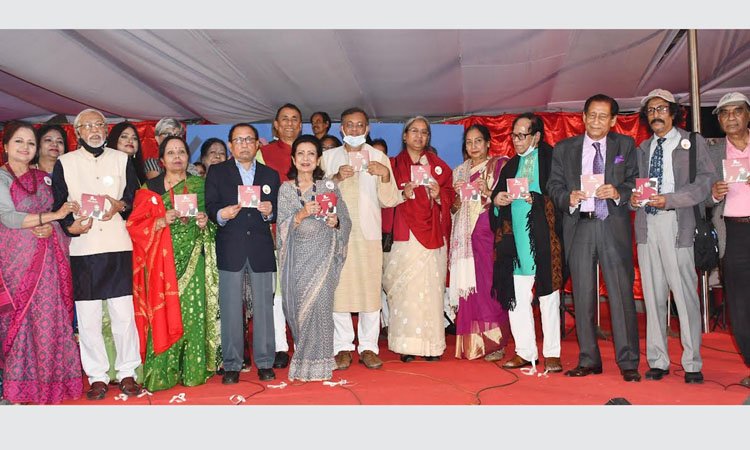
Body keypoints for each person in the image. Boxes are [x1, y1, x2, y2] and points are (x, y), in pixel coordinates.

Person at [547, 94, 641, 382]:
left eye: (603, 116)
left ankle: (628, 361)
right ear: (583, 117)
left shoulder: (625, 145)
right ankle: (588, 359)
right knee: (583, 295)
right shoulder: (565, 148)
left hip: (612, 225)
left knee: (621, 294)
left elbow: (634, 180)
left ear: (613, 121)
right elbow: (553, 185)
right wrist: (568, 197)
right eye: (592, 115)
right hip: (581, 225)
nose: (596, 121)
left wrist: (618, 192)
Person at [51, 108, 143, 399]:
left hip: (117, 244)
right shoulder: (65, 163)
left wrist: (120, 206)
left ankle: (127, 372)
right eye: (87, 126)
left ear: (106, 129)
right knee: (88, 317)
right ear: (77, 132)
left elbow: (132, 197)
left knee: (123, 314)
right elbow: (59, 203)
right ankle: (97, 376)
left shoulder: (121, 159)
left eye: (99, 124)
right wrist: (70, 226)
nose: (94, 130)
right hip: (84, 247)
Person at [630, 89, 714, 384]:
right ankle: (657, 360)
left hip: (678, 223)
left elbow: (705, 181)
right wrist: (633, 199)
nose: (656, 115)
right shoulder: (642, 149)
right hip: (647, 224)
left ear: (674, 112)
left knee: (684, 294)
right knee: (652, 295)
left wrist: (672, 199)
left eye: (662, 109)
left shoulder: (692, 142)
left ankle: (692, 362)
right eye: (651, 110)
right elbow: (634, 186)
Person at [126, 135, 220, 391]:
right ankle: (162, 372)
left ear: (188, 157)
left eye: (181, 152)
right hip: (160, 263)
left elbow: (216, 222)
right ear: (162, 160)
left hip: (193, 258)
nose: (177, 157)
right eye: (171, 153)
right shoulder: (149, 189)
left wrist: (205, 223)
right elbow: (134, 225)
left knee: (192, 313)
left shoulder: (201, 186)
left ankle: (192, 369)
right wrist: (160, 220)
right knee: (163, 314)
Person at [0, 122, 82, 404]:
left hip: (48, 265)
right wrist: (51, 217)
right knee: (18, 322)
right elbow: (8, 217)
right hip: (15, 265)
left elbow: (56, 216)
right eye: (18, 141)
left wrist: (54, 225)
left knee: (49, 321)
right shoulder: (2, 178)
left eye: (30, 143)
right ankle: (16, 388)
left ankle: (49, 385)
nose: (25, 147)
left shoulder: (44, 178)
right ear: (5, 146)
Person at [321, 107, 400, 370]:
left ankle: (368, 347)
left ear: (367, 129)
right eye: (349, 125)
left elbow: (389, 200)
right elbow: (318, 194)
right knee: (339, 290)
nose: (354, 129)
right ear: (341, 128)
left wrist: (385, 175)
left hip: (368, 234)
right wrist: (335, 178)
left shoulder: (378, 157)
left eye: (359, 125)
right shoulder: (328, 157)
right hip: (336, 233)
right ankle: (342, 347)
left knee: (370, 290)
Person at [206, 123, 280, 383]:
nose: (244, 144)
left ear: (257, 144)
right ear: (230, 145)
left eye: (249, 139)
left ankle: (265, 361)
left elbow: (277, 210)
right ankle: (232, 364)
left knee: (264, 308)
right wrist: (221, 214)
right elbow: (210, 205)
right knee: (230, 308)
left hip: (261, 248)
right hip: (231, 246)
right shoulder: (217, 172)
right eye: (239, 140)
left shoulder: (270, 174)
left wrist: (270, 212)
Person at [490, 114, 564, 372]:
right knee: (518, 297)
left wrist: (538, 199)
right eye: (514, 135)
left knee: (549, 297)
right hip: (515, 242)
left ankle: (552, 353)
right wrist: (497, 201)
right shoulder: (510, 166)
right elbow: (496, 200)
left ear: (537, 136)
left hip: (544, 239)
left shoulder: (552, 160)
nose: (516, 140)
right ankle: (524, 351)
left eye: (522, 135)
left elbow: (563, 197)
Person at [277, 135, 351, 381]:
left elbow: (346, 220)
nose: (306, 158)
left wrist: (336, 222)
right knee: (302, 310)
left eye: (311, 154)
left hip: (324, 258)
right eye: (301, 153)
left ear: (318, 159)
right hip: (298, 260)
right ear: (293, 159)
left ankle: (321, 364)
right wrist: (300, 214)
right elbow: (281, 227)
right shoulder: (286, 189)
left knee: (321, 309)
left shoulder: (329, 187)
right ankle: (303, 362)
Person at [383, 116, 454, 362]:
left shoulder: (439, 166)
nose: (419, 136)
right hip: (404, 235)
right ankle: (406, 345)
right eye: (414, 131)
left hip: (432, 234)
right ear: (405, 136)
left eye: (424, 132)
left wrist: (439, 195)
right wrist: (402, 192)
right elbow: (382, 197)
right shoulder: (392, 165)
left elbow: (451, 195)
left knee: (431, 291)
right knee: (406, 292)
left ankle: (431, 345)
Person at [448, 124, 511, 361]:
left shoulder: (499, 166)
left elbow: (506, 200)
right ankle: (473, 344)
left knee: (488, 287)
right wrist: (456, 197)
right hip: (464, 241)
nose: (473, 146)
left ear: (488, 143)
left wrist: (488, 191)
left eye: (478, 141)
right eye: (469, 142)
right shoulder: (459, 172)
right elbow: (453, 209)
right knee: (470, 289)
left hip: (487, 234)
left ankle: (495, 342)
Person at [706, 92, 750, 388]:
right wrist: (713, 194)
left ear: (748, 114)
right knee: (740, 306)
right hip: (733, 233)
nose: (731, 117)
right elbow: (701, 196)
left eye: (737, 111)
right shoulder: (712, 152)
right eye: (724, 113)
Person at [257, 103, 303, 369]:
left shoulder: (310, 150)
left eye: (294, 119)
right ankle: (280, 347)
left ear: (300, 125)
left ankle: (305, 344)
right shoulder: (263, 153)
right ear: (275, 124)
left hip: (308, 233)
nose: (289, 123)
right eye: (284, 119)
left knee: (303, 290)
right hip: (275, 231)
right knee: (277, 294)